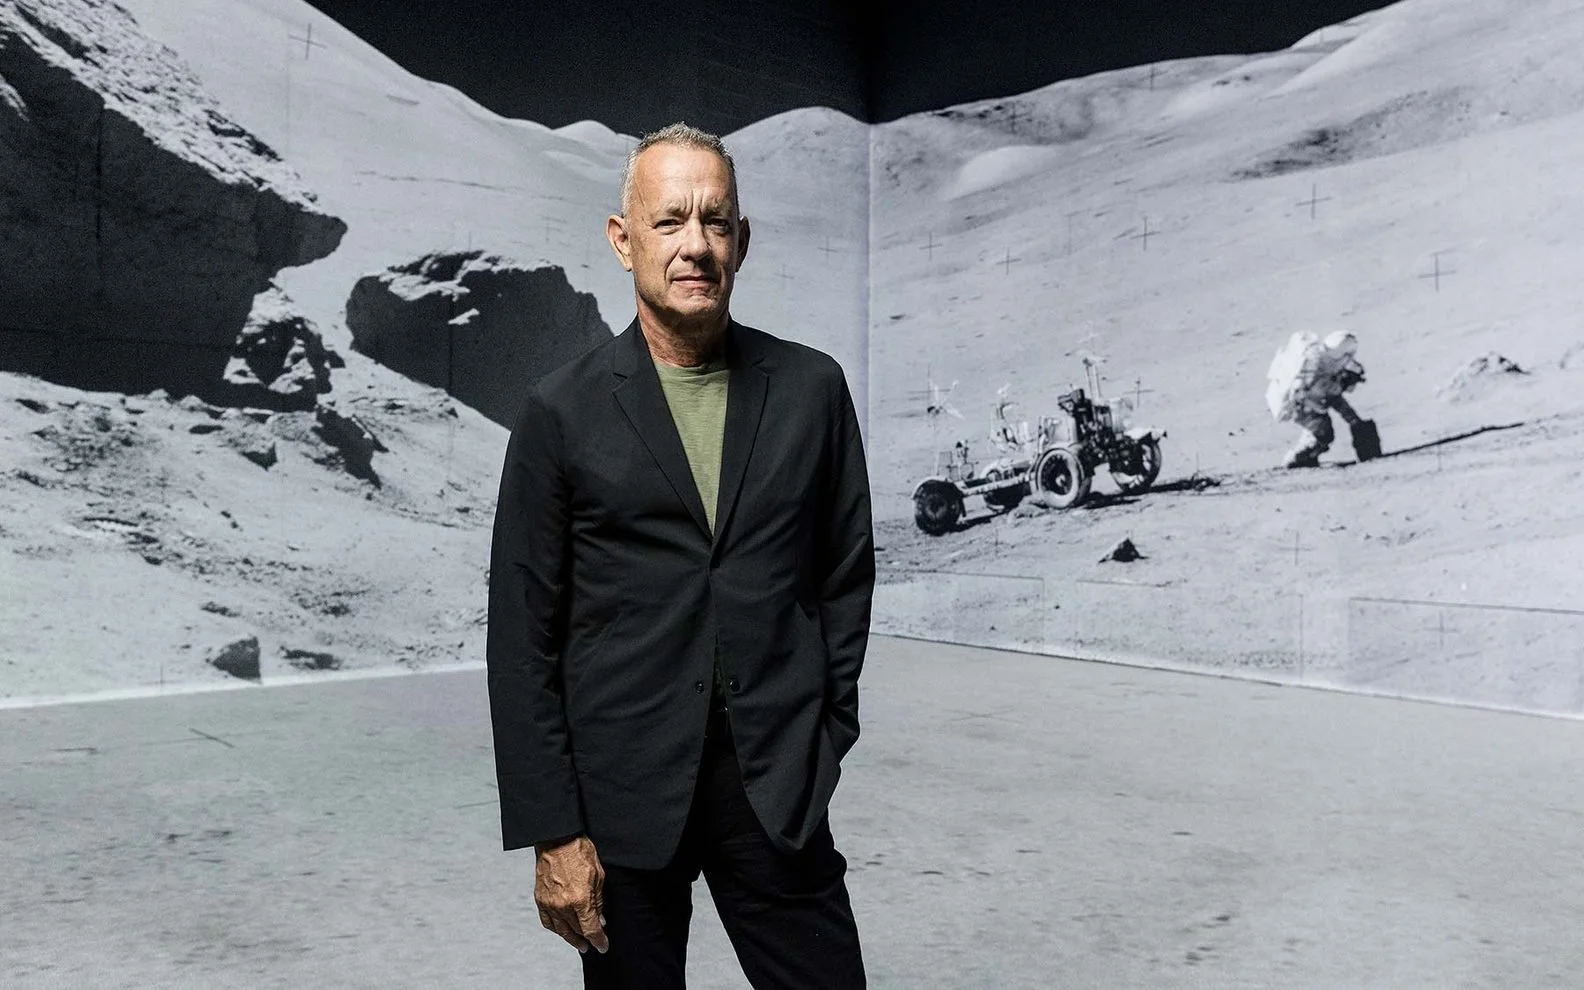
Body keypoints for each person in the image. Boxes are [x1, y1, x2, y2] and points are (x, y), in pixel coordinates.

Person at [485, 122, 873, 989]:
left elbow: (844, 578)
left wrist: (824, 735)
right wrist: (554, 831)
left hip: (773, 788)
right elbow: (522, 640)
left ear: (742, 238)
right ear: (623, 241)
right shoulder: (558, 412)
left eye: (716, 220)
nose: (695, 243)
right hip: (620, 802)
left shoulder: (813, 390)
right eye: (669, 221)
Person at [1268, 330, 1374, 468]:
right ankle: (1295, 460)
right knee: (1323, 434)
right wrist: (1344, 384)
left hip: (1308, 405)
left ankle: (1307, 458)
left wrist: (1354, 420)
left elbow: (1333, 395)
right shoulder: (1320, 369)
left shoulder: (1324, 361)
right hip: (1304, 407)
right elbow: (1331, 395)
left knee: (1327, 428)